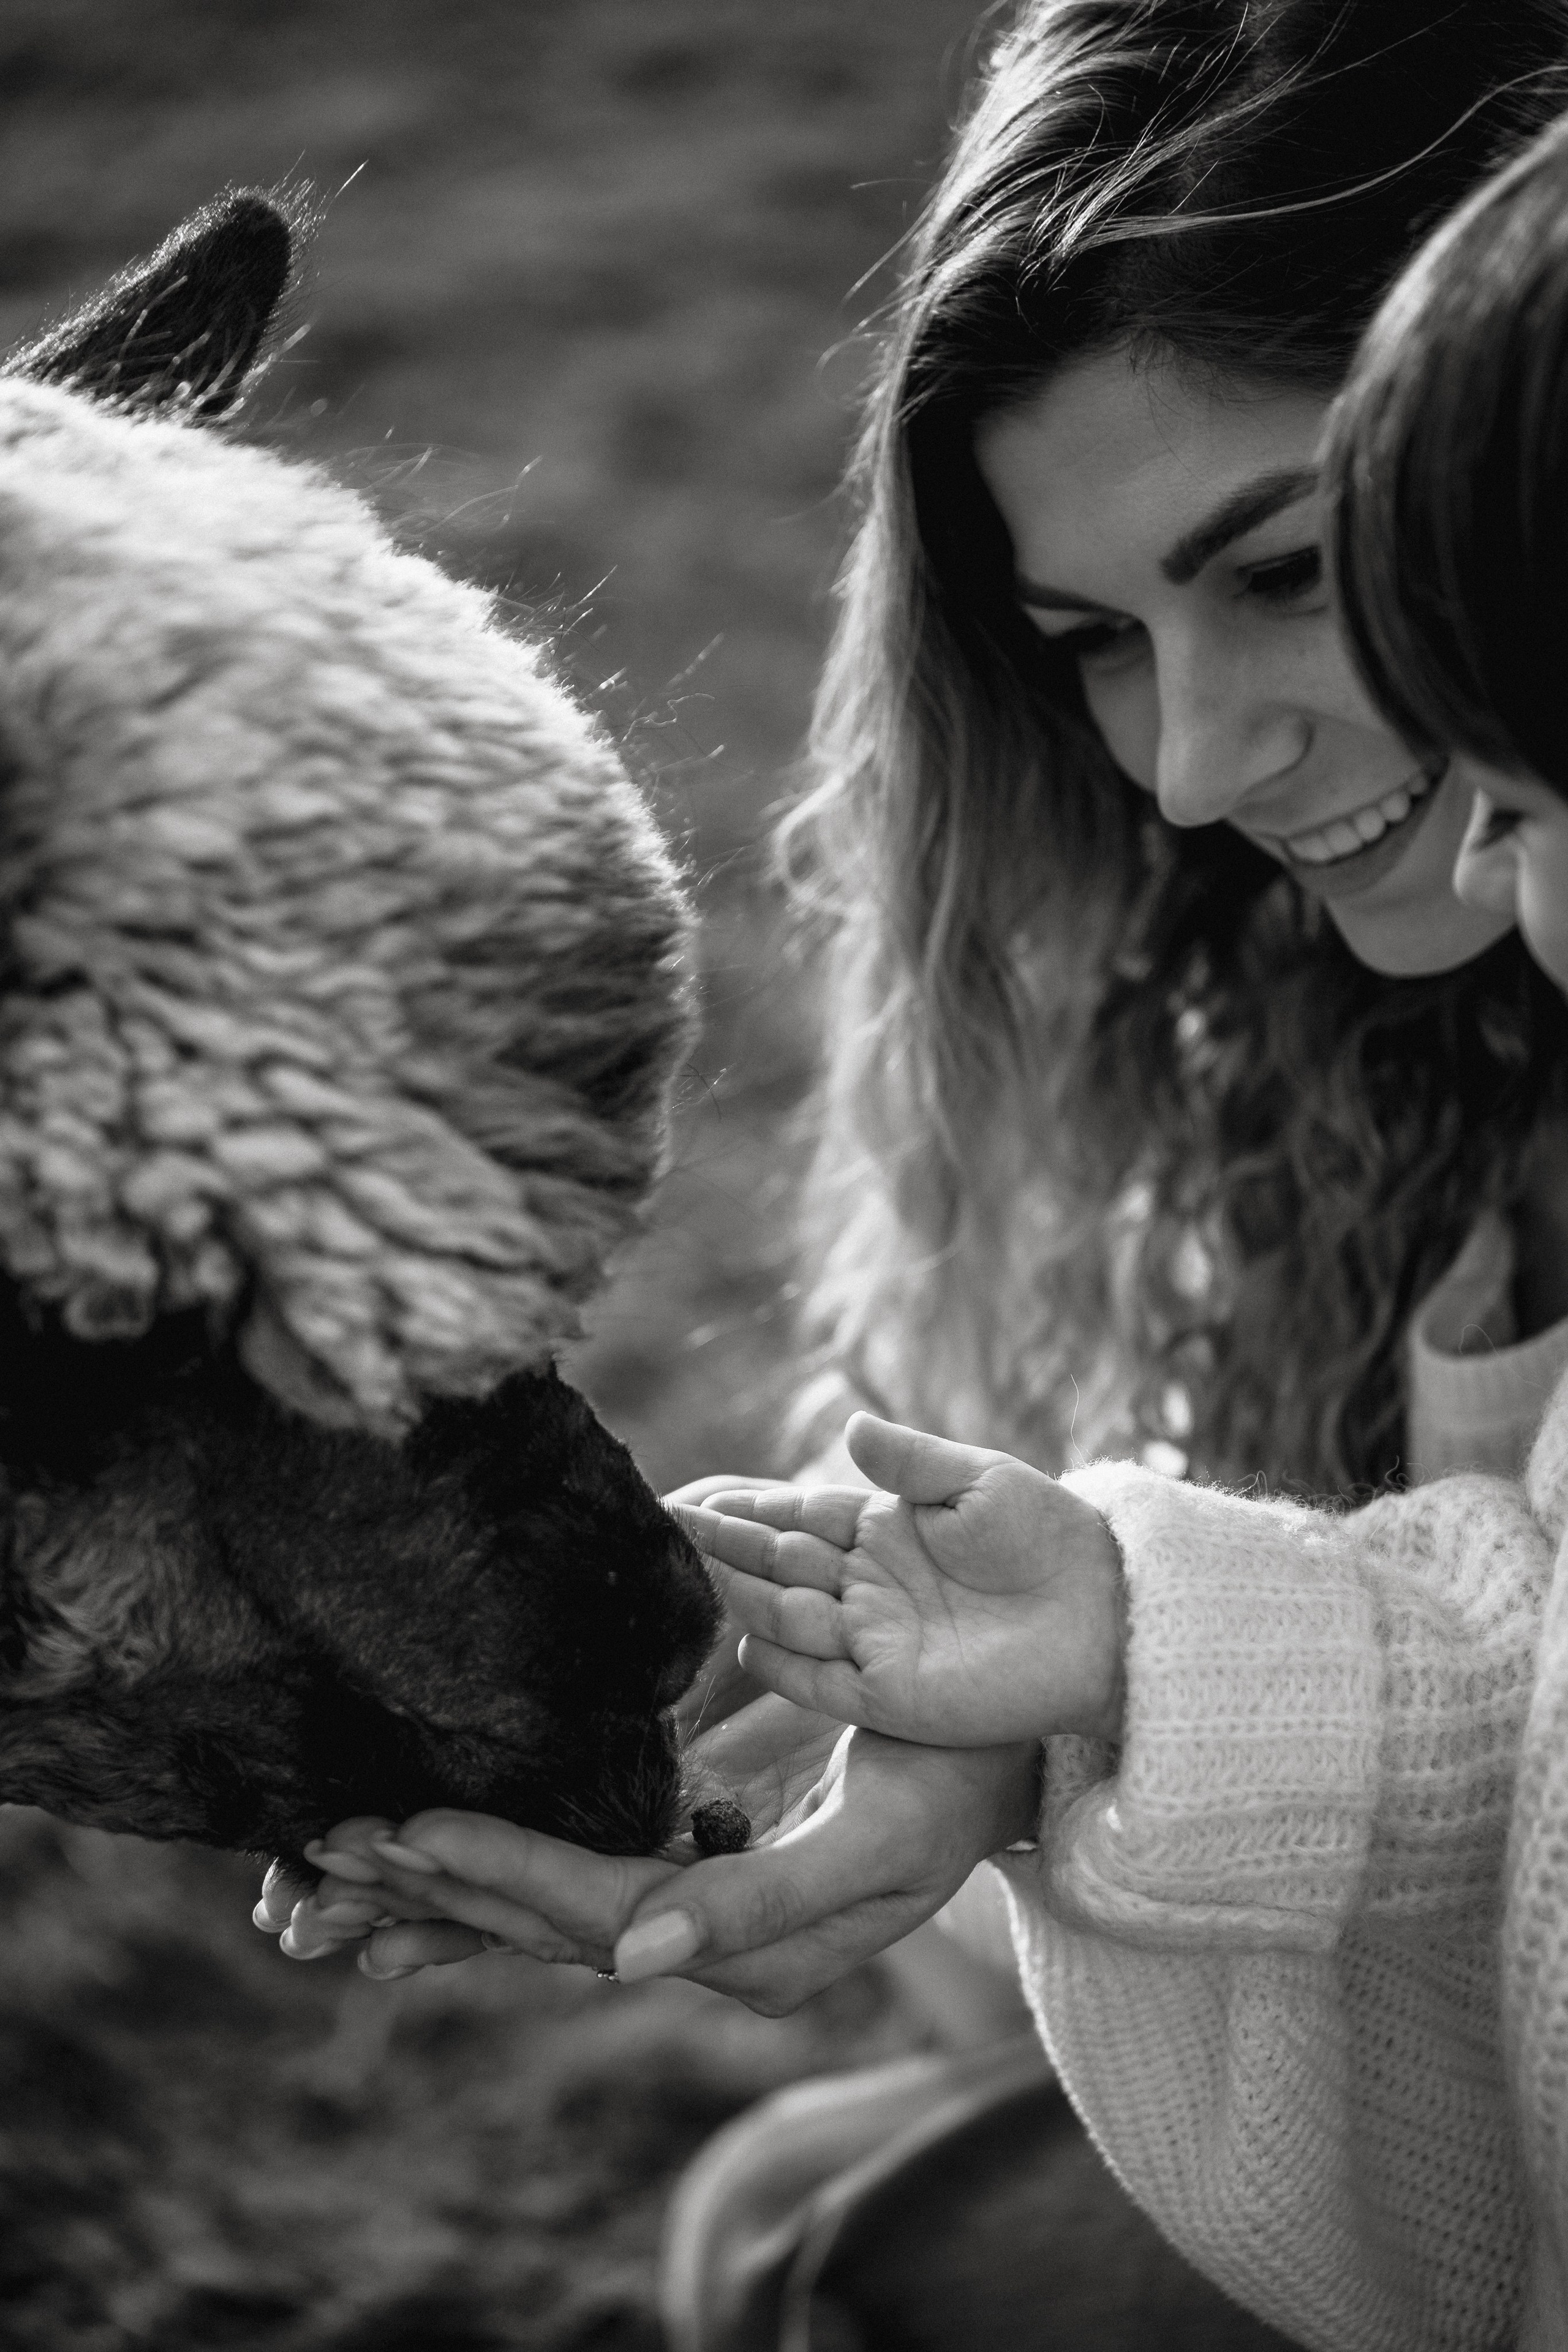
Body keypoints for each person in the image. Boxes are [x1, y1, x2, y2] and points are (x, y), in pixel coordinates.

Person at [257, 2, 1568, 2344]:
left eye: (1286, 571)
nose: (1184, 770)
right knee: (789, 2207)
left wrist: (1135, 1683)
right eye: (1087, 642)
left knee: (831, 2254)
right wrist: (1029, 1728)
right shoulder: (1416, 1030)